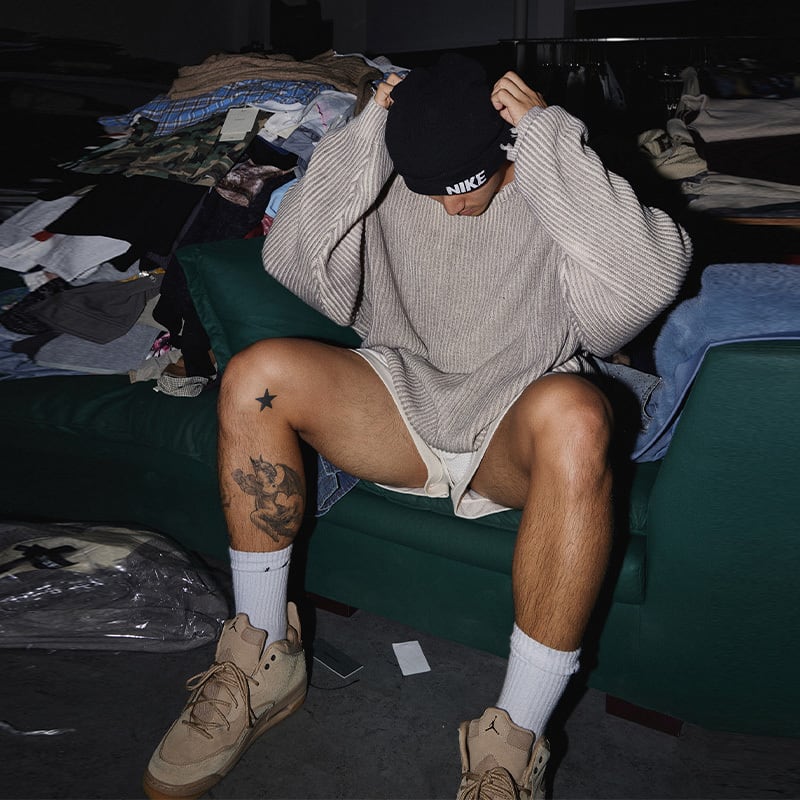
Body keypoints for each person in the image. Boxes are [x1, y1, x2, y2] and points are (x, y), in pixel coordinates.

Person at [143, 53, 691, 800]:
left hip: (515, 420)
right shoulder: (389, 171)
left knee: (577, 411)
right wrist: (366, 132)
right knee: (256, 375)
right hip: (400, 404)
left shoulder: (552, 174)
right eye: (429, 190)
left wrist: (550, 136)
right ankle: (261, 655)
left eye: (465, 188)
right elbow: (294, 262)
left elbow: (645, 283)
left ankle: (513, 740)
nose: (451, 210)